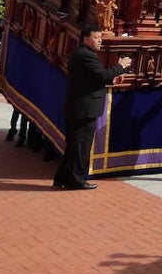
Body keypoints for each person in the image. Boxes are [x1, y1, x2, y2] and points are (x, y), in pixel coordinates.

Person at [53, 24, 132, 190]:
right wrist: (120, 66)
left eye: (100, 37)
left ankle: (63, 178)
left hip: (80, 107)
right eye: (96, 38)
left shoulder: (84, 55)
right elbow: (102, 75)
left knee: (74, 146)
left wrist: (111, 78)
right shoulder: (86, 56)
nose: (100, 41)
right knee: (81, 146)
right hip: (83, 109)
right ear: (86, 39)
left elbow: (95, 78)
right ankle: (77, 180)